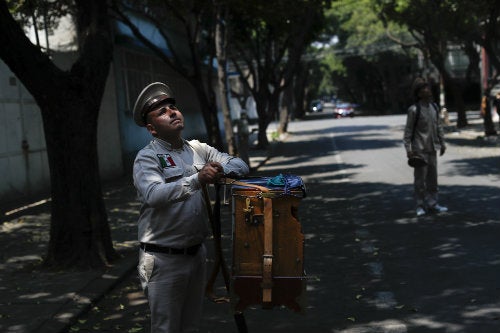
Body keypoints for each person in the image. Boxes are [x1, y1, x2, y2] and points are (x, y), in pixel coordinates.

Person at [132, 82, 249, 333]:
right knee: (166, 328)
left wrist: (220, 169)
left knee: (191, 327)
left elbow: (240, 165)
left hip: (196, 255)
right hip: (163, 258)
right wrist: (198, 179)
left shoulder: (197, 149)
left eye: (173, 107)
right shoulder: (147, 157)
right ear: (152, 128)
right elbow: (154, 194)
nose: (172, 112)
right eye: (162, 112)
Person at [403, 78, 448, 217]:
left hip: (432, 148)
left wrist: (442, 143)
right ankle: (420, 206)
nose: (428, 90)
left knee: (432, 180)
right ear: (419, 93)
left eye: (428, 88)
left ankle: (433, 204)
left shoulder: (434, 107)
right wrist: (409, 150)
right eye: (424, 88)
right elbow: (408, 132)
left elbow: (438, 126)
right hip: (419, 150)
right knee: (420, 181)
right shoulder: (414, 110)